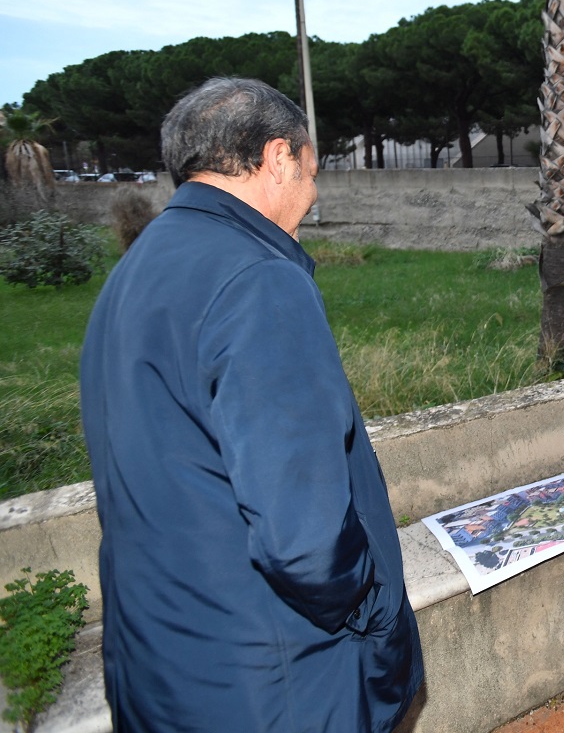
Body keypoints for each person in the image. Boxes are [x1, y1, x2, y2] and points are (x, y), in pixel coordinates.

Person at [80, 77, 424, 732]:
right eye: (311, 170)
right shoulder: (260, 278)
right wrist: (378, 612)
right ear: (277, 159)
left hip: (163, 671)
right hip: (275, 682)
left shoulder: (129, 275)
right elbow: (305, 539)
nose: (314, 192)